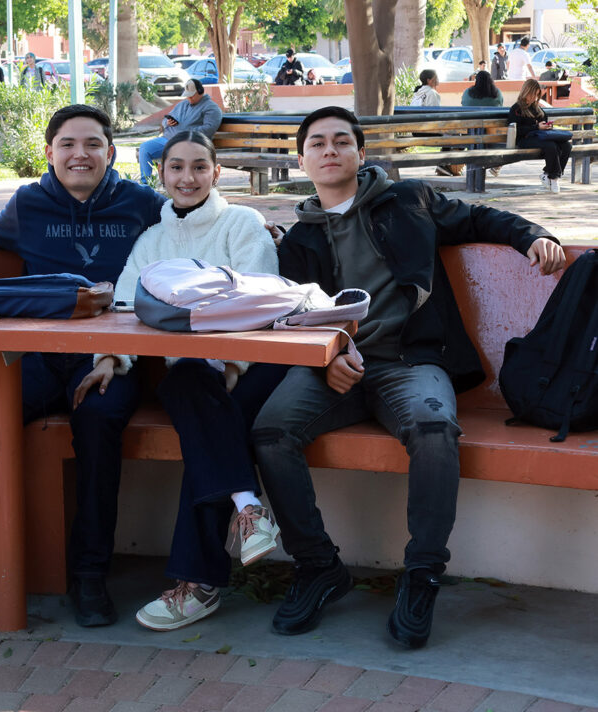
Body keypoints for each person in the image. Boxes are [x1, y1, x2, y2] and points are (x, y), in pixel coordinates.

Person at [251, 105, 565, 650]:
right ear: (302, 160)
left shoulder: (407, 200)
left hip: (410, 361)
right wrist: (326, 355)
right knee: (271, 431)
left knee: (434, 430)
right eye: (317, 143)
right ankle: (318, 565)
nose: (330, 150)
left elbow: (479, 218)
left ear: (361, 153)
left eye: (341, 141)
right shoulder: (298, 239)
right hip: (337, 366)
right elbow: (298, 314)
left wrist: (533, 235)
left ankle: (422, 575)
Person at [0, 105, 166, 637]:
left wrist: (260, 225)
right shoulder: (27, 204)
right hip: (36, 356)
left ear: (111, 152)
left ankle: (89, 574)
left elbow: (193, 218)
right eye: (68, 144)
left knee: (98, 421)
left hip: (108, 359)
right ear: (50, 152)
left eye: (93, 144)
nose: (81, 154)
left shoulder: (142, 204)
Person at [86, 131, 286, 631]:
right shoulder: (152, 240)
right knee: (190, 390)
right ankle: (247, 507)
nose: (187, 177)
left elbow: (258, 303)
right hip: (192, 377)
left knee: (201, 413)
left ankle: (198, 585)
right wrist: (110, 357)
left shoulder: (243, 224)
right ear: (161, 174)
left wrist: (231, 367)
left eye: (199, 167)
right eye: (176, 167)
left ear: (216, 173)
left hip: (252, 367)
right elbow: (127, 308)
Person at [138, 78, 223, 182]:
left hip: (188, 143)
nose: (189, 98)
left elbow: (208, 129)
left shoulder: (211, 108)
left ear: (200, 92)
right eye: (187, 95)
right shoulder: (182, 104)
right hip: (167, 139)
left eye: (191, 95)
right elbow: (165, 119)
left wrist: (186, 133)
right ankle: (146, 184)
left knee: (176, 157)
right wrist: (167, 123)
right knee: (145, 148)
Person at [510, 78, 572, 193]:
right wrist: (536, 127)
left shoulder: (537, 108)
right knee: (551, 145)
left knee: (566, 145)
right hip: (524, 140)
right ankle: (553, 178)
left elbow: (543, 123)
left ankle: (548, 174)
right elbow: (517, 130)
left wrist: (547, 126)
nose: (534, 98)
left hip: (540, 137)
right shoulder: (516, 109)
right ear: (526, 92)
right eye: (533, 94)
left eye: (537, 95)